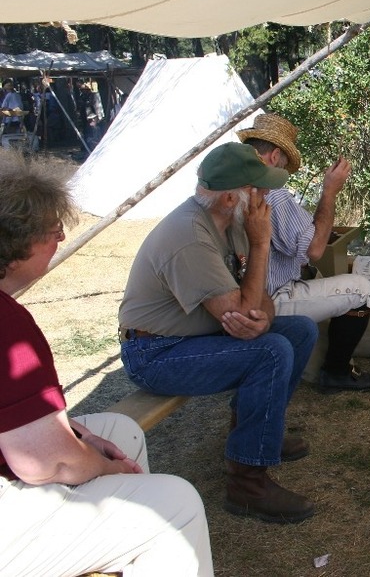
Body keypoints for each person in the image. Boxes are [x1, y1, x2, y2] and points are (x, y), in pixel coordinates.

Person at [0, 149, 212, 575]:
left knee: (118, 429)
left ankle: (116, 551)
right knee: (174, 506)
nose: (60, 239)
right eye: (53, 230)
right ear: (17, 241)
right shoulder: (8, 326)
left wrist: (80, 437)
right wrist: (109, 468)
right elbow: (45, 463)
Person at [119, 142, 319, 523]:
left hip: (194, 338)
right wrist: (262, 243)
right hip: (156, 352)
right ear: (231, 197)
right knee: (271, 350)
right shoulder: (190, 235)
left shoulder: (233, 222)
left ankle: (257, 436)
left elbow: (260, 304)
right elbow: (245, 311)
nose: (266, 198)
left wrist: (260, 315)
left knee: (299, 331)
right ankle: (246, 484)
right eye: (258, 189)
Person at [239, 113, 370, 393]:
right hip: (269, 298)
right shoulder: (274, 195)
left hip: (239, 297)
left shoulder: (233, 187)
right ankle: (336, 371)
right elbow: (315, 249)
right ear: (274, 156)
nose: (285, 172)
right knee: (361, 290)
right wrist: (329, 192)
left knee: (315, 277)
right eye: (284, 165)